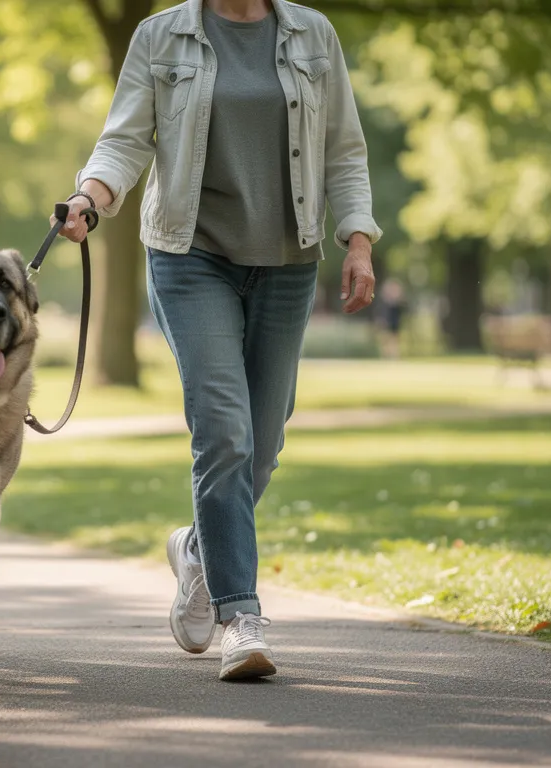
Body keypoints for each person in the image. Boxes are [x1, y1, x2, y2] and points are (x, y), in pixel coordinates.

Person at [53, 0, 380, 681]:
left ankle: (199, 552)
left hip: (289, 260)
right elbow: (124, 140)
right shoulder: (161, 35)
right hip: (188, 256)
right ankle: (241, 616)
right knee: (224, 432)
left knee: (262, 441)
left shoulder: (312, 34)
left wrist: (358, 240)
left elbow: (343, 148)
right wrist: (89, 198)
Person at [376, 278, 406, 359]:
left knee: (394, 338)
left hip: (394, 321)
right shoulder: (384, 302)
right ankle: (385, 356)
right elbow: (381, 311)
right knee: (385, 338)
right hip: (386, 320)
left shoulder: (398, 303)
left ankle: (394, 355)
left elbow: (401, 311)